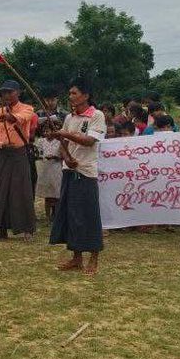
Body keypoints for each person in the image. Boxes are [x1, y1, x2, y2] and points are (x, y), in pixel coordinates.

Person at [51, 78, 107, 274]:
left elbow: (90, 141)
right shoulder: (69, 118)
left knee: (89, 215)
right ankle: (76, 258)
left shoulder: (97, 115)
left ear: (86, 95)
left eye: (74, 93)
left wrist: (65, 134)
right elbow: (63, 145)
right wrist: (67, 157)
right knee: (72, 215)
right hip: (69, 170)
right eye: (70, 93)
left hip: (86, 172)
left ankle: (94, 259)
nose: (71, 96)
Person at [0, 80, 37, 241]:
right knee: (1, 190)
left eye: (10, 92)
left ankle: (27, 229)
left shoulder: (27, 108)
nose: (6, 95)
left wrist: (10, 116)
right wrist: (1, 144)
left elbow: (22, 118)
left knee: (22, 190)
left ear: (18, 92)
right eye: (4, 92)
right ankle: (1, 229)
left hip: (19, 153)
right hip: (3, 153)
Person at [34, 110, 63, 221]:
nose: (47, 133)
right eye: (45, 131)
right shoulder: (42, 141)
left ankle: (56, 214)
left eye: (49, 130)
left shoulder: (59, 142)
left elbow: (62, 155)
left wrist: (55, 157)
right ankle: (47, 215)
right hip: (45, 168)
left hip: (56, 169)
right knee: (47, 193)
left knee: (56, 192)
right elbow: (39, 153)